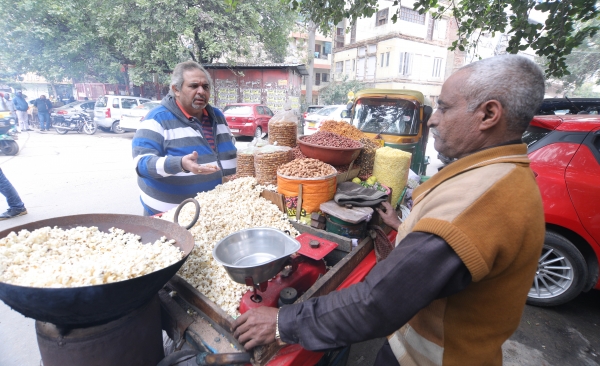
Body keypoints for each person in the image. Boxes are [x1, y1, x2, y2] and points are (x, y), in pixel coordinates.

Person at [232, 55, 547, 365]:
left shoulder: (482, 199)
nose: (433, 119)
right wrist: (403, 224)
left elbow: (378, 301)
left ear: (489, 114)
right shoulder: (501, 174)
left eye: (445, 107)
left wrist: (282, 323)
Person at [132, 60, 237, 215]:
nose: (201, 91)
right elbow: (142, 164)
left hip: (214, 214)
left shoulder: (217, 116)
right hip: (170, 219)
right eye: (194, 86)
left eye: (206, 86)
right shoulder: (157, 119)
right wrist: (180, 163)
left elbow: (228, 149)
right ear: (176, 90)